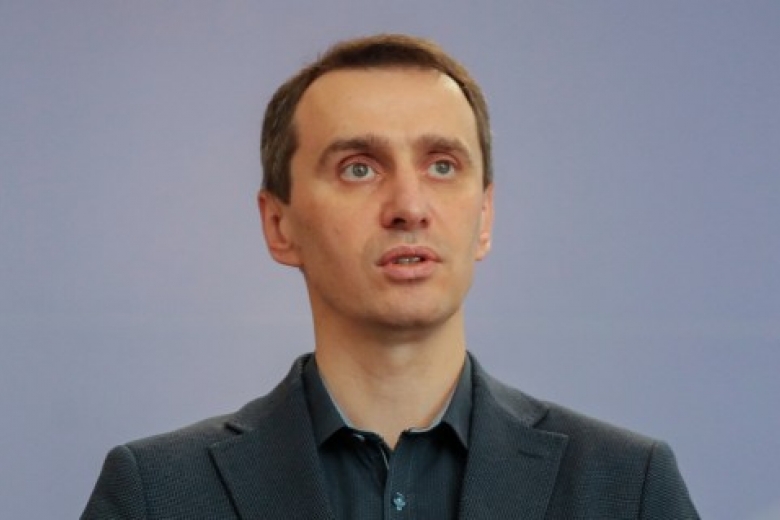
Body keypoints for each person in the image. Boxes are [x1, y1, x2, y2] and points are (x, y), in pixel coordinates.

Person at [81, 34, 699, 519]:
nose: (409, 205)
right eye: (358, 168)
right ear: (279, 224)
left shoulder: (626, 487)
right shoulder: (156, 495)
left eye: (442, 165)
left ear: (485, 217)